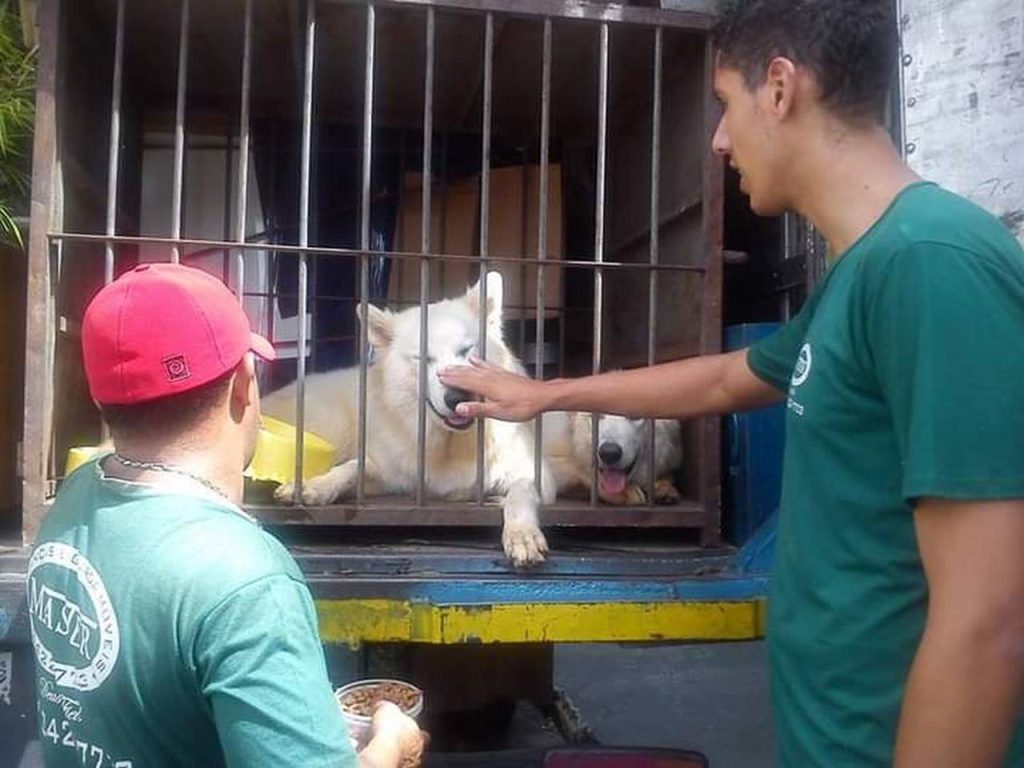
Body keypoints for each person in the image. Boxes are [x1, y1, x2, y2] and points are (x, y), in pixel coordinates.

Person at [440, 1, 1024, 765]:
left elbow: (989, 622)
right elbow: (723, 380)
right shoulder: (862, 272)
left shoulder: (931, 264)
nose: (718, 139)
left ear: (779, 88)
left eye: (724, 103)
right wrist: (544, 396)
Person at [27, 262, 425, 767]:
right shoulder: (245, 582)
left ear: (101, 395)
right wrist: (393, 744)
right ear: (244, 383)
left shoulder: (78, 493)